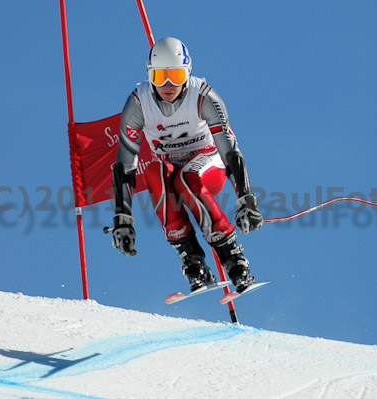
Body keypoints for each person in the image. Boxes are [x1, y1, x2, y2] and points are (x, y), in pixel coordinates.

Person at [111, 37, 263, 293]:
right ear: (150, 76)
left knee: (187, 177)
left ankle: (233, 257)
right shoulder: (139, 103)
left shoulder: (203, 96)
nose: (168, 85)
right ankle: (191, 258)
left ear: (188, 73)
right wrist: (123, 218)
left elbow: (230, 151)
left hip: (207, 164)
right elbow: (125, 164)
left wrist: (246, 200)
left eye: (176, 75)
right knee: (154, 172)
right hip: (170, 169)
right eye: (160, 77)